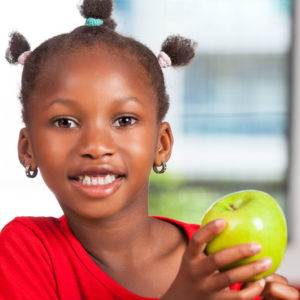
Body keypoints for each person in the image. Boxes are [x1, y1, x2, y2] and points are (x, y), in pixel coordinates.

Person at [1, 0, 299, 299]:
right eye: (64, 122)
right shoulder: (24, 252)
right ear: (28, 149)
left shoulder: (217, 261)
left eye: (124, 120)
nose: (95, 146)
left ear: (162, 143)